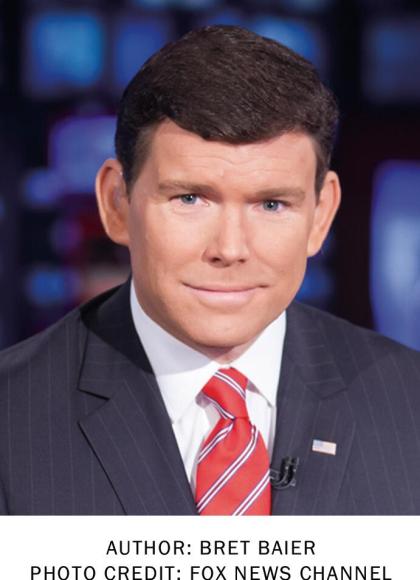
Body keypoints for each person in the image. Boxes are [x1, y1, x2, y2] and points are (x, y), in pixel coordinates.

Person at [1, 25, 419, 516]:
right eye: (190, 198)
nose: (230, 249)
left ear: (321, 215)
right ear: (117, 203)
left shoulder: (408, 402)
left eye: (271, 204)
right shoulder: (12, 415)